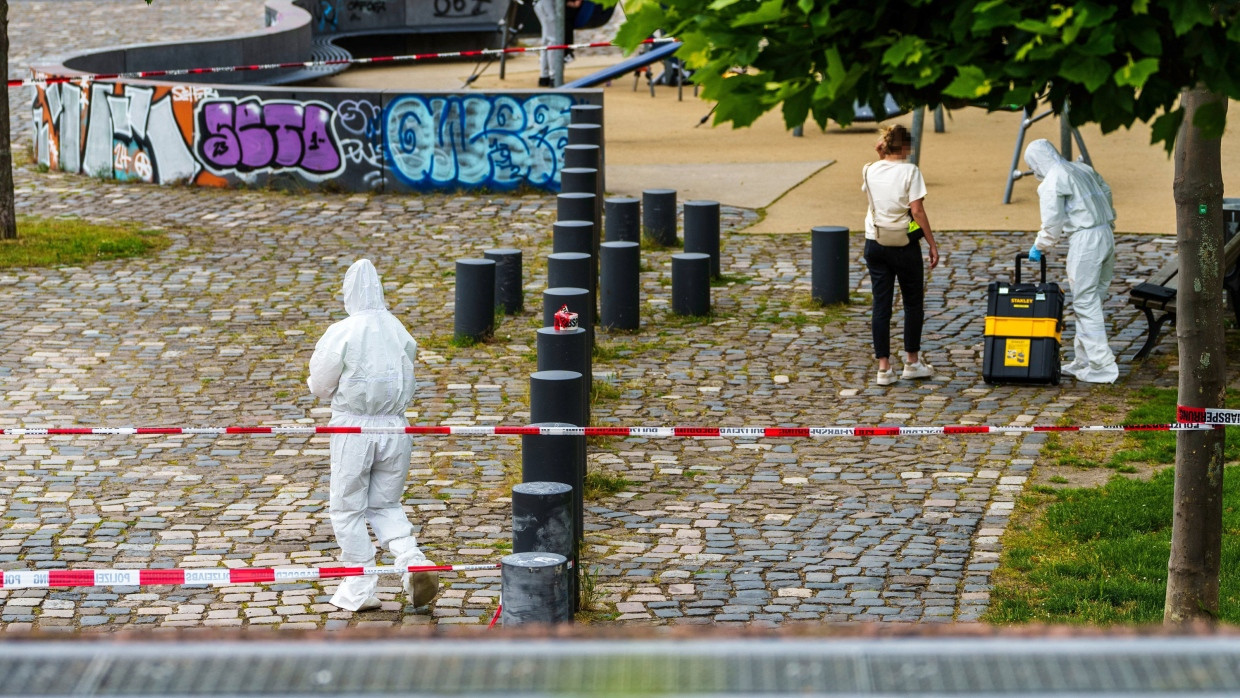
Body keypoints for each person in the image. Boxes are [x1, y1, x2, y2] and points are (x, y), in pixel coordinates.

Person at [308, 259, 439, 612]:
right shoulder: (397, 328)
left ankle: (360, 585)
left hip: (354, 429)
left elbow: (320, 385)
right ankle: (412, 561)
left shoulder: (343, 331)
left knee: (346, 508)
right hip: (395, 428)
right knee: (385, 504)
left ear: (348, 293)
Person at [1024, 139, 1118, 383]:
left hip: (1086, 240)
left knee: (1085, 301)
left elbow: (1052, 223)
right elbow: (1106, 191)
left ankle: (1102, 365)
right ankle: (1084, 359)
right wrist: (1108, 219)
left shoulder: (1053, 180)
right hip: (1105, 233)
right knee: (1093, 299)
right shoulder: (1080, 168)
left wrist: (1040, 245)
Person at [862, 124, 940, 386]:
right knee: (912, 303)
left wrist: (880, 154)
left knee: (881, 304)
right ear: (906, 146)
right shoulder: (910, 171)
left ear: (884, 146)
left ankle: (883, 368)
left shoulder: (869, 170)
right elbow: (916, 210)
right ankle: (912, 362)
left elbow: (881, 178)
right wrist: (932, 243)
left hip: (875, 242)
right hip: (904, 244)